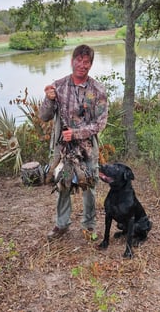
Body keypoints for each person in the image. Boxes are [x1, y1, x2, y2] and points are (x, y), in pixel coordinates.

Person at [39, 44, 108, 240]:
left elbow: (100, 123)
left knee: (89, 186)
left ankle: (89, 225)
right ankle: (61, 225)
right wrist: (48, 99)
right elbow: (44, 116)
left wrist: (77, 133)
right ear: (72, 61)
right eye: (79, 60)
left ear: (91, 65)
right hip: (65, 152)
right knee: (63, 184)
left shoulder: (98, 90)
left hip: (86, 151)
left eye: (87, 62)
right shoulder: (59, 86)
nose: (82, 65)